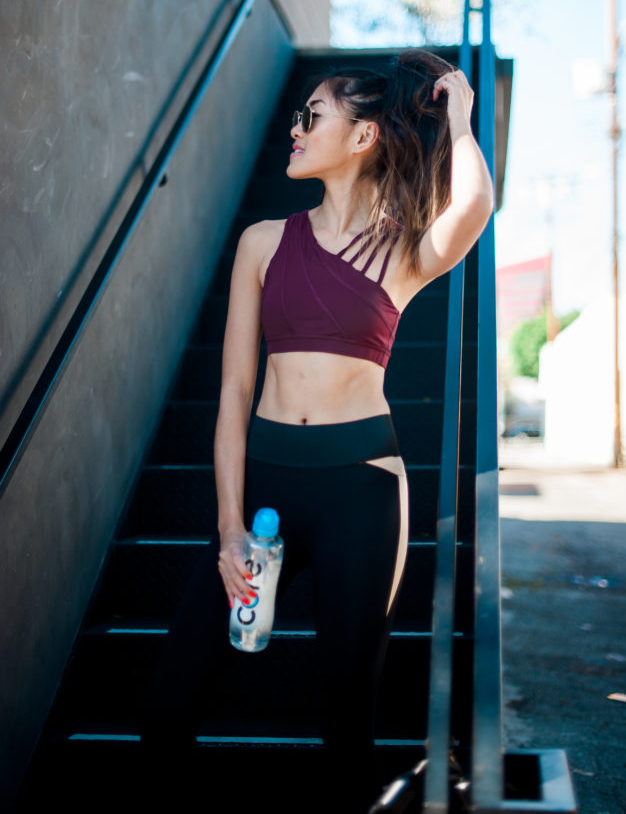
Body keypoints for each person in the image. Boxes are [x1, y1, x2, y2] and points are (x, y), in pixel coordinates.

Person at [141, 49, 494, 812]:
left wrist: (460, 119)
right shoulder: (262, 242)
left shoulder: (402, 246)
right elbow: (234, 389)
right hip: (265, 477)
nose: (294, 128)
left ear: (362, 136)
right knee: (169, 699)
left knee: (345, 721)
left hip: (360, 489)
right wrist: (229, 526)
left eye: (313, 115)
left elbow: (471, 206)